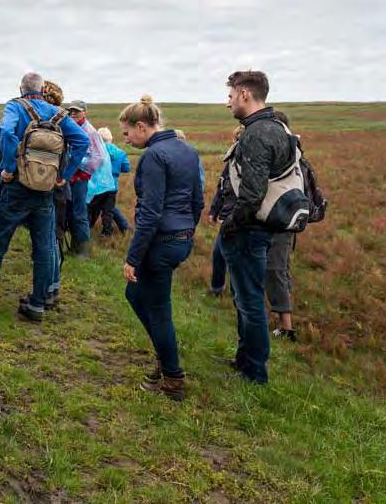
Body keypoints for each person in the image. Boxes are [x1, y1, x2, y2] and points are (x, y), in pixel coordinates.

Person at [0, 72, 88, 322]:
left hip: (17, 187)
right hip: (45, 190)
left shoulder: (16, 107)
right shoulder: (58, 114)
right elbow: (82, 140)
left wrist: (9, 167)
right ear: (42, 89)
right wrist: (64, 174)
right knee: (43, 248)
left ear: (21, 88)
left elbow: (7, 134)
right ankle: (37, 305)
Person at [119, 96, 203, 401]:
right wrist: (187, 231)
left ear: (142, 126)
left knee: (158, 309)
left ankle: (172, 377)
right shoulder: (187, 150)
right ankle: (163, 356)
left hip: (161, 241)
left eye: (127, 133)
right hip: (179, 238)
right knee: (135, 295)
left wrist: (132, 257)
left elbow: (151, 212)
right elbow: (198, 201)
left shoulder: (154, 156)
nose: (126, 140)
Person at [218, 70, 294, 385]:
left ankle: (255, 372)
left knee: (249, 300)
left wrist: (230, 225)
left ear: (246, 95)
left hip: (250, 230)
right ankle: (245, 359)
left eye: (231, 95)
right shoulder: (279, 127)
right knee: (246, 297)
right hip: (263, 228)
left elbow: (251, 194)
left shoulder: (257, 132)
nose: (228, 103)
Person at [266, 112, 297, 341]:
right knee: (282, 268)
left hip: (279, 221)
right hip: (288, 220)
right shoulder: (295, 153)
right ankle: (284, 320)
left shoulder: (285, 155)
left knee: (276, 270)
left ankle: (286, 328)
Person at [64, 100, 107, 258]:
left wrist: (79, 167)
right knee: (70, 211)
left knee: (79, 212)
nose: (73, 113)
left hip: (80, 179)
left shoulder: (90, 131)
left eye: (77, 111)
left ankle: (83, 251)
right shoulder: (70, 128)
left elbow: (98, 157)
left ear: (84, 112)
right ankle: (74, 247)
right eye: (71, 111)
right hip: (68, 177)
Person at [207, 125, 244, 297]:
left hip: (239, 217)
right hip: (228, 216)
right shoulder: (231, 162)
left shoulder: (250, 163)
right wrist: (214, 211)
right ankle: (219, 289)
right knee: (219, 254)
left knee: (231, 256)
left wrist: (225, 215)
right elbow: (222, 187)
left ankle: (233, 292)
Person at [95, 127, 131, 236]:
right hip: (112, 186)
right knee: (108, 210)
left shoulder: (96, 151)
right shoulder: (120, 153)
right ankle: (107, 232)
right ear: (110, 138)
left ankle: (86, 232)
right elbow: (126, 168)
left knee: (90, 209)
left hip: (96, 185)